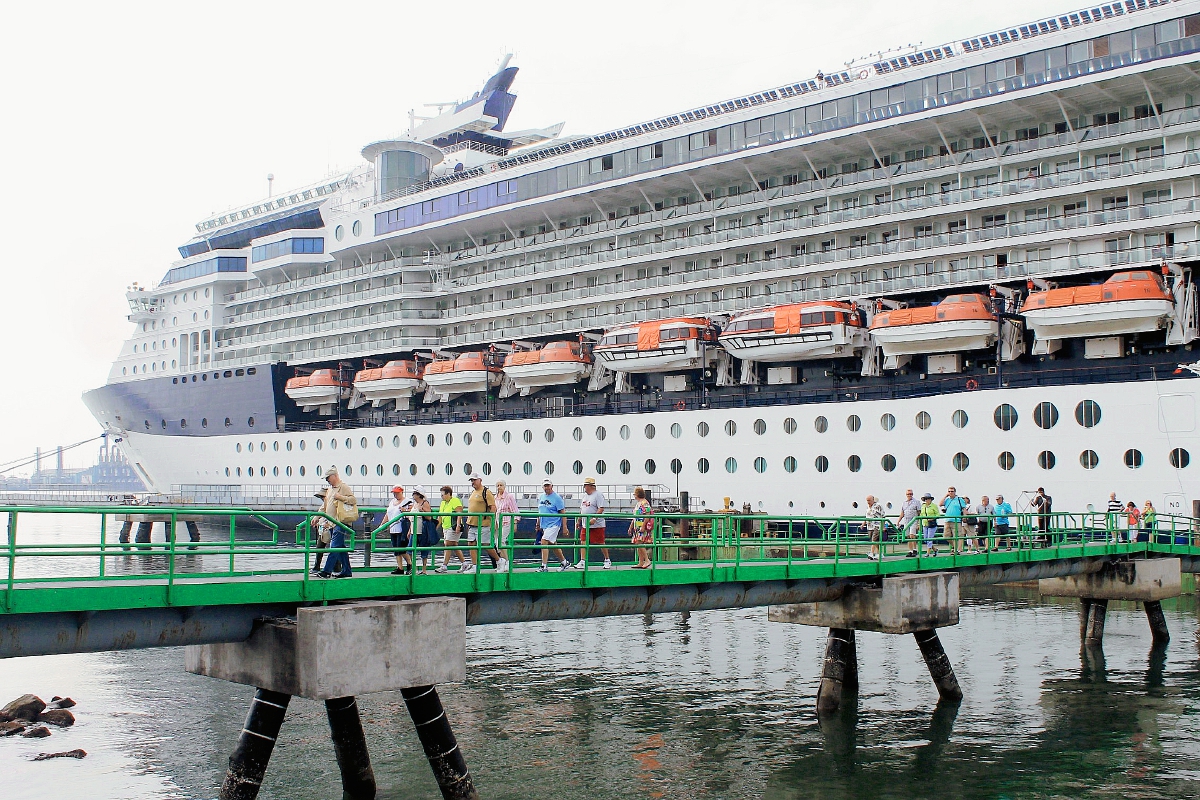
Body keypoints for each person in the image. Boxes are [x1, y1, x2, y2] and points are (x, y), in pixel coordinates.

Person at [318, 467, 356, 579]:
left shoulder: (343, 487)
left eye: (328, 478)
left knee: (334, 546)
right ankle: (347, 570)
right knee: (340, 547)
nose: (327, 481)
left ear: (334, 476)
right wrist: (316, 516)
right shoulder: (330, 490)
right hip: (331, 522)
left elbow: (353, 500)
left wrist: (341, 497)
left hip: (340, 522)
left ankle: (326, 571)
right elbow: (324, 506)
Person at [464, 473, 505, 573]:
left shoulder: (486, 492)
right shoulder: (473, 492)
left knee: (485, 544)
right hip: (472, 523)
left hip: (483, 523)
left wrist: (491, 521)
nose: (473, 482)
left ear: (480, 480)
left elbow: (493, 507)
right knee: (471, 544)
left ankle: (499, 560)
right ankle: (475, 566)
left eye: (474, 480)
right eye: (471, 480)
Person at [535, 479, 571, 572]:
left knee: (544, 541)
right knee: (552, 543)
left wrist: (565, 527)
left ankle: (544, 566)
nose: (546, 488)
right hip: (544, 524)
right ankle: (564, 562)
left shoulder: (557, 498)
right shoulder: (541, 497)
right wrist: (538, 523)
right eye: (545, 486)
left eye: (548, 485)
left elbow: (562, 512)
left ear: (552, 486)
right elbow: (540, 511)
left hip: (554, 524)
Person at [577, 477, 612, 569]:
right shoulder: (584, 496)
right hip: (585, 524)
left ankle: (607, 559)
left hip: (597, 524)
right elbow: (582, 509)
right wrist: (578, 521)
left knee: (600, 542)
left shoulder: (598, 495)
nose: (584, 487)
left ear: (591, 486)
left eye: (586, 485)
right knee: (583, 541)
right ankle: (583, 561)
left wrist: (594, 518)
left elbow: (601, 508)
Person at [435, 486, 466, 573]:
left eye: (443, 495)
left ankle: (444, 565)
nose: (442, 497)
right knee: (452, 544)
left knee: (448, 543)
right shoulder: (443, 503)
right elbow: (440, 516)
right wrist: (436, 527)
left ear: (448, 494)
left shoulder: (455, 501)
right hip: (446, 526)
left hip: (453, 526)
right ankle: (464, 563)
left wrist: (458, 525)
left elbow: (459, 512)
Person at [385, 485, 413, 575]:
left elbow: (412, 513)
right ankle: (400, 567)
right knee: (396, 549)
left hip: (402, 528)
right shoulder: (392, 502)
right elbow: (387, 514)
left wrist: (405, 510)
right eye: (394, 493)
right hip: (393, 528)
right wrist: (383, 524)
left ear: (402, 492)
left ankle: (410, 565)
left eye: (397, 492)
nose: (395, 494)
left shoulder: (408, 501)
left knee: (402, 549)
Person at [411, 486, 437, 574]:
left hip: (423, 530)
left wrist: (422, 511)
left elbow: (429, 517)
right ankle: (414, 568)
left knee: (424, 550)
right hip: (413, 530)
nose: (413, 495)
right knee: (410, 549)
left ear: (419, 495)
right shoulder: (414, 504)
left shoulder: (425, 503)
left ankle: (424, 570)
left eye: (414, 493)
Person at [495, 480, 519, 569]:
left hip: (507, 522)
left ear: (504, 486)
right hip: (498, 523)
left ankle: (507, 562)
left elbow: (514, 510)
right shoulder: (495, 497)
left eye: (501, 485)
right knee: (497, 543)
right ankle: (503, 562)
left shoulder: (509, 497)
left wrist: (515, 522)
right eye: (497, 485)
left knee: (500, 541)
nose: (499, 487)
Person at [629, 486, 654, 568]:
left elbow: (647, 515)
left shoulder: (644, 503)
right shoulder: (638, 503)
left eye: (635, 494)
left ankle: (647, 560)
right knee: (637, 543)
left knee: (640, 542)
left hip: (641, 526)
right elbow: (635, 516)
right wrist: (631, 526)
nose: (634, 496)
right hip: (637, 526)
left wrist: (643, 526)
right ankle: (641, 562)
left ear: (637, 494)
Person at [941, 487, 966, 555]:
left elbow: (964, 509)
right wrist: (945, 496)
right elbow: (940, 504)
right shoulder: (947, 500)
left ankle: (956, 550)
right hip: (947, 520)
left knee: (956, 536)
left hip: (956, 520)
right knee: (946, 536)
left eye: (952, 491)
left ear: (955, 492)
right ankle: (955, 547)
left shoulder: (959, 499)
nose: (950, 493)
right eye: (949, 491)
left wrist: (964, 517)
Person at [898, 488, 921, 558]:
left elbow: (919, 513)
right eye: (908, 494)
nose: (909, 495)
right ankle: (910, 550)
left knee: (912, 535)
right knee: (908, 536)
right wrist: (898, 521)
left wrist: (919, 523)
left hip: (914, 519)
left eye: (911, 494)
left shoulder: (916, 502)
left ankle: (915, 549)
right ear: (906, 495)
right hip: (906, 520)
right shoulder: (904, 503)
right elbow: (902, 512)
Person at [865, 494, 884, 560]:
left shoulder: (878, 506)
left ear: (873, 500)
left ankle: (871, 553)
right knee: (875, 541)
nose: (868, 502)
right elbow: (867, 516)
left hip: (877, 526)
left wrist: (883, 526)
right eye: (867, 500)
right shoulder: (868, 507)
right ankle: (880, 554)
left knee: (874, 539)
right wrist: (863, 523)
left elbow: (883, 516)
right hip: (869, 526)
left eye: (869, 500)